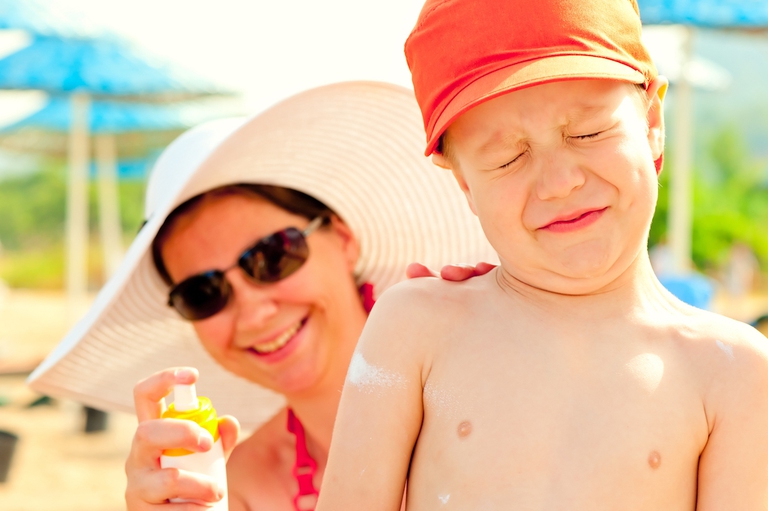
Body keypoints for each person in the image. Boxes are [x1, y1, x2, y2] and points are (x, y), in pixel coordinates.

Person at [316, 1, 768, 510]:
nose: (559, 182)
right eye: (507, 158)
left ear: (652, 121)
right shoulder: (417, 328)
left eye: (587, 133)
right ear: (464, 182)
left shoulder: (731, 371)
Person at [26, 82, 497, 511]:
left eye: (272, 256)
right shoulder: (238, 489)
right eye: (203, 293)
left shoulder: (488, 370)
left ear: (343, 238)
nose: (252, 308)